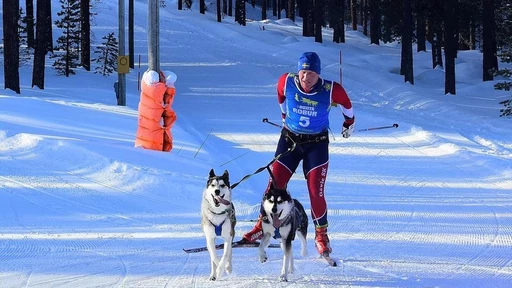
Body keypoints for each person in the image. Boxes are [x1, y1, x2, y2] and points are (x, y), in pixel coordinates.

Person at [241, 52, 355, 257]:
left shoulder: (331, 89)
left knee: (315, 192)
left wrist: (349, 124)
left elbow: (347, 105)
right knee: (275, 184)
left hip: (316, 145)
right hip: (290, 140)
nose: (305, 78)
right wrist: (284, 115)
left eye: (311, 73)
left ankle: (321, 235)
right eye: (303, 72)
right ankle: (261, 226)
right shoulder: (287, 80)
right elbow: (280, 94)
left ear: (318, 74)